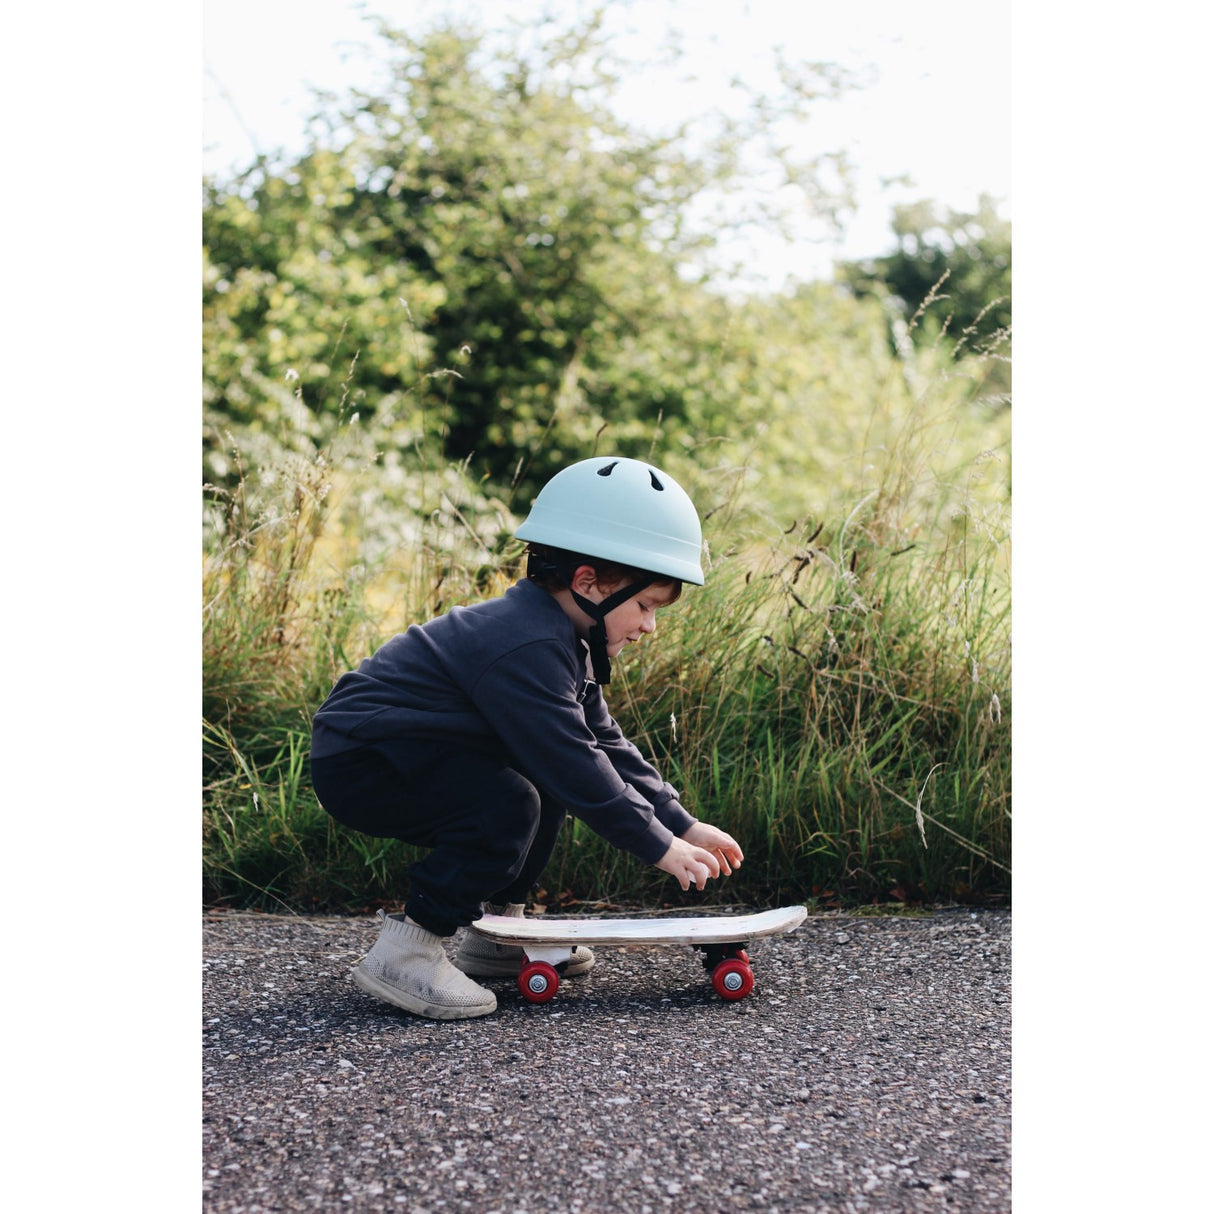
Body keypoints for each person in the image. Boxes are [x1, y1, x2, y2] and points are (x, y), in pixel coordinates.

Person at [310, 455, 744, 1020]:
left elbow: (603, 744)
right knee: (509, 802)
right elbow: (575, 763)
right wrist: (658, 845)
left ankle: (498, 933)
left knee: (538, 785)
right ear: (587, 583)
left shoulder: (562, 639)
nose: (648, 625)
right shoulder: (527, 646)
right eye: (644, 606)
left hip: (413, 750)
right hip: (365, 760)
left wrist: (680, 822)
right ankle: (408, 952)